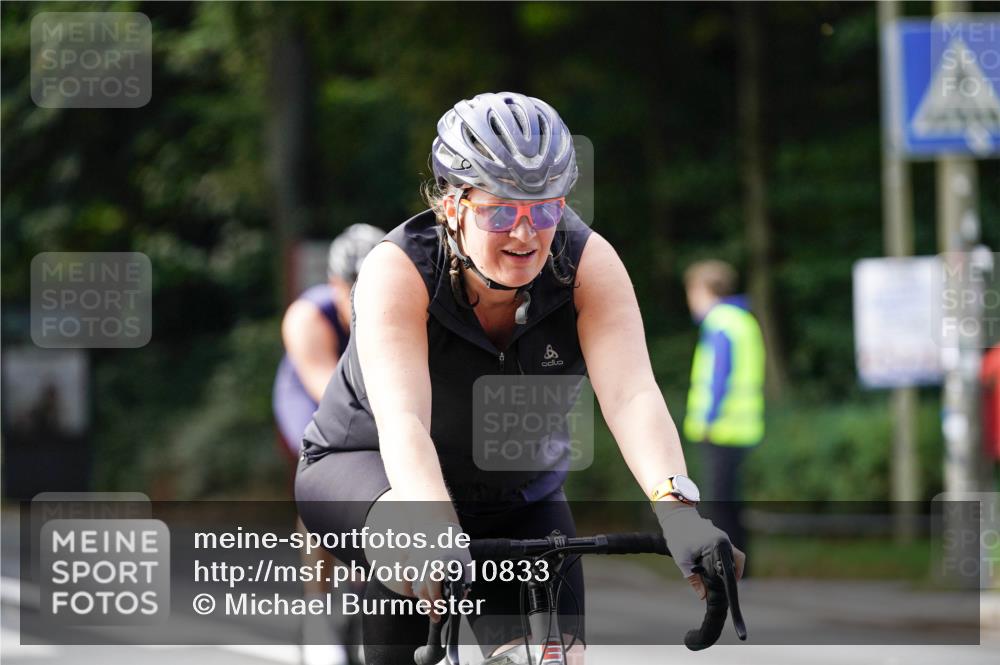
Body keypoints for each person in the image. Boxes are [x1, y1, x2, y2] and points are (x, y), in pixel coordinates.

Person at [296, 92, 745, 664]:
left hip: (515, 487)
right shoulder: (398, 269)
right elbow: (403, 422)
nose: (526, 234)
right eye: (502, 212)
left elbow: (631, 394)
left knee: (553, 657)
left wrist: (678, 511)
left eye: (546, 210)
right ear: (453, 205)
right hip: (371, 470)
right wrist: (433, 530)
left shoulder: (586, 263)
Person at [274, 223, 385, 665]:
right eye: (351, 290)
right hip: (313, 396)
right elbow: (331, 396)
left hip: (375, 397)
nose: (360, 302)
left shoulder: (403, 301)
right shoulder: (307, 316)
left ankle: (366, 586)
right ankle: (317, 607)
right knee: (322, 477)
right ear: (334, 284)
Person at [683, 260, 765, 562]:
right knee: (731, 502)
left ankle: (725, 566)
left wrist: (707, 419)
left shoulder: (720, 323)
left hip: (721, 427)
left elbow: (720, 376)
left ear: (703, 291)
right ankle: (741, 566)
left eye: (692, 292)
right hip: (741, 426)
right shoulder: (743, 320)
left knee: (719, 504)